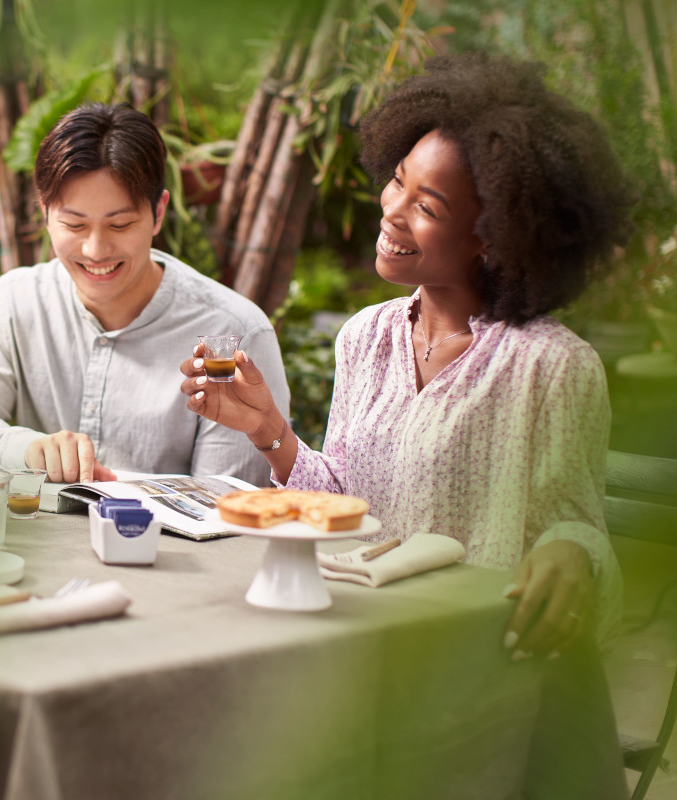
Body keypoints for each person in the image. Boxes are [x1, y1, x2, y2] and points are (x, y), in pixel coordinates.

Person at [181, 53, 634, 656]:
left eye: (428, 207)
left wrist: (570, 554)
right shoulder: (365, 337)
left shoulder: (550, 367)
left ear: (493, 236)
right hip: (359, 643)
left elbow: (576, 526)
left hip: (477, 662)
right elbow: (346, 502)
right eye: (398, 180)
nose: (391, 211)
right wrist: (268, 429)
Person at [0, 103, 291, 488]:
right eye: (74, 224)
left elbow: (229, 512)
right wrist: (25, 449)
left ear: (158, 213)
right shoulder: (15, 303)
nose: (95, 250)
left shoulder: (233, 333)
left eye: (120, 224)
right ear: (44, 212)